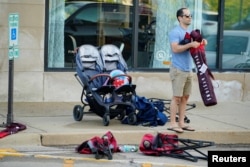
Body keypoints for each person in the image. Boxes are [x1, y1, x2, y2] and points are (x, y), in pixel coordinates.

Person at [167, 8, 206, 133]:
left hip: (189, 69)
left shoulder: (191, 33)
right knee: (176, 97)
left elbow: (196, 48)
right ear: (180, 18)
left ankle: (181, 123)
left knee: (185, 97)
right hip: (178, 69)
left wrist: (202, 43)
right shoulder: (175, 32)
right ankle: (173, 123)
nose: (189, 18)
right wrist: (190, 44)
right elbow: (175, 49)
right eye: (187, 16)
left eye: (191, 15)